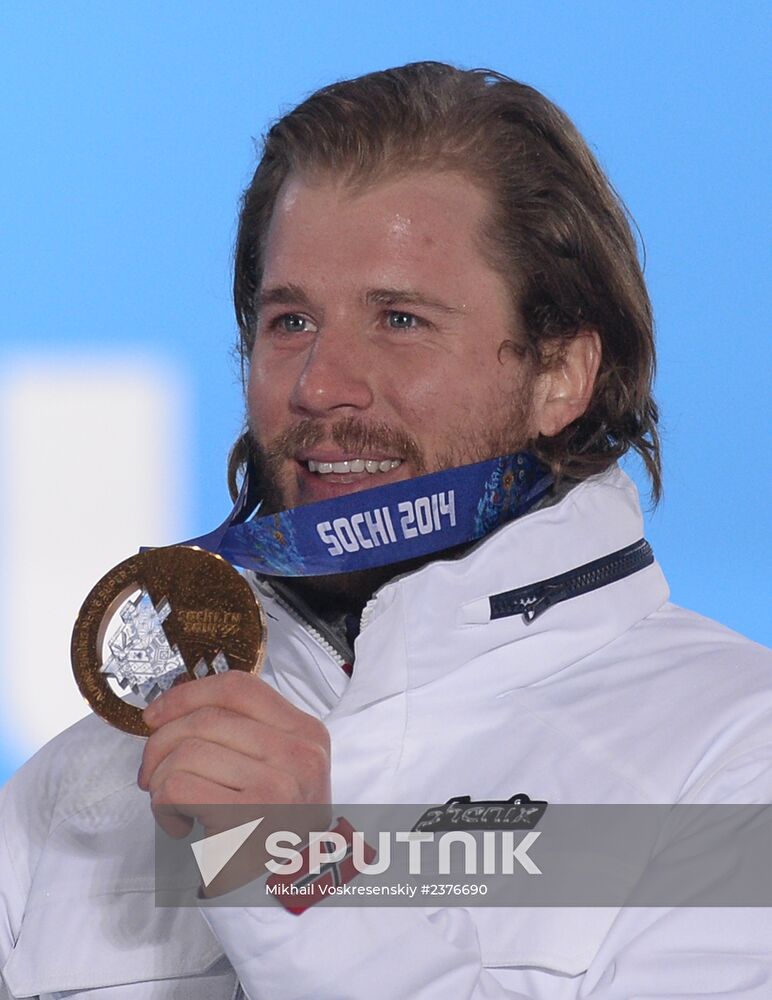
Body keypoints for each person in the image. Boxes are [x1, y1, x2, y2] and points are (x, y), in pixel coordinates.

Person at [1, 61, 770, 999]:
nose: (321, 385)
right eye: (291, 321)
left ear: (559, 372)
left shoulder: (729, 753)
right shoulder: (83, 787)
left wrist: (305, 879)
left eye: (400, 319)